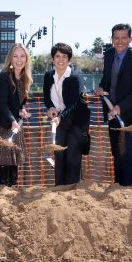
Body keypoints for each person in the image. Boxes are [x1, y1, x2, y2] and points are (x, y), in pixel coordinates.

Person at [95, 23, 132, 186]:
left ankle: (129, 190)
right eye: (116, 38)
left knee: (128, 155)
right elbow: (107, 79)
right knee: (117, 153)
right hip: (112, 114)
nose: (120, 41)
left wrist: (120, 107)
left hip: (130, 115)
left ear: (130, 39)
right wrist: (102, 88)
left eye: (124, 37)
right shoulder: (109, 55)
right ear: (112, 39)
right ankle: (118, 189)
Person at [43, 42, 91, 186]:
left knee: (72, 157)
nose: (61, 59)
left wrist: (60, 117)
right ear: (53, 59)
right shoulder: (48, 76)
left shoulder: (75, 78)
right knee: (59, 156)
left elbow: (73, 103)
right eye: (57, 56)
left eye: (64, 56)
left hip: (77, 121)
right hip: (60, 122)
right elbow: (46, 96)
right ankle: (59, 189)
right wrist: (50, 108)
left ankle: (73, 190)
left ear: (69, 59)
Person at [0, 43, 32, 186]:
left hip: (14, 123)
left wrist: (22, 110)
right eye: (15, 56)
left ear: (26, 58)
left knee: (14, 158)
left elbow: (22, 100)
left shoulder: (24, 77)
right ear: (10, 59)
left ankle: (13, 190)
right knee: (4, 159)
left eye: (22, 56)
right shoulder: (4, 76)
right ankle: (3, 190)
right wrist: (12, 120)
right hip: (2, 123)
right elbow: (2, 104)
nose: (19, 60)